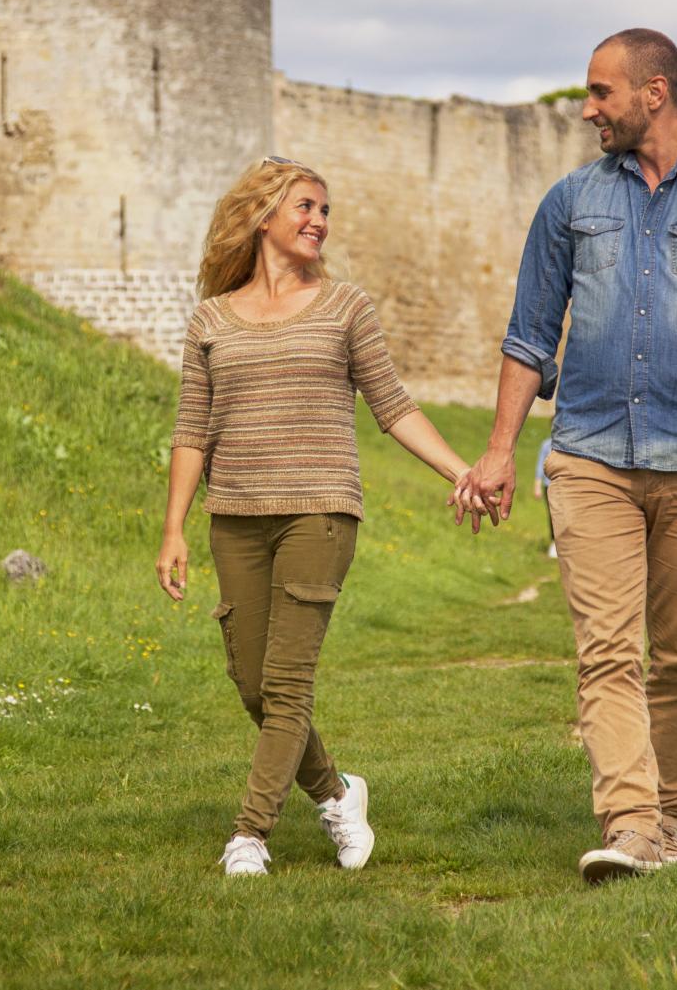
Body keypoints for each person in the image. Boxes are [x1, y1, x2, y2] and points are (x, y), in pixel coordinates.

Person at [452, 29, 677, 884]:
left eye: (602, 92)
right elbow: (529, 336)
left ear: (655, 93)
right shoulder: (570, 200)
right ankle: (634, 823)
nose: (587, 109)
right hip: (587, 456)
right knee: (608, 649)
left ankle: (667, 817)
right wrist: (499, 451)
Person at [156, 155, 480, 877]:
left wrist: (461, 470)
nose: (318, 221)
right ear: (262, 215)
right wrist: (174, 527)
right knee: (251, 682)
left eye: (325, 211)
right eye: (305, 206)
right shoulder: (210, 318)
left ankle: (250, 835)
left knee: (288, 683)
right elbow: (191, 429)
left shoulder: (346, 307)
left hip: (321, 511)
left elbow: (392, 405)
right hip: (235, 513)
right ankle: (337, 793)